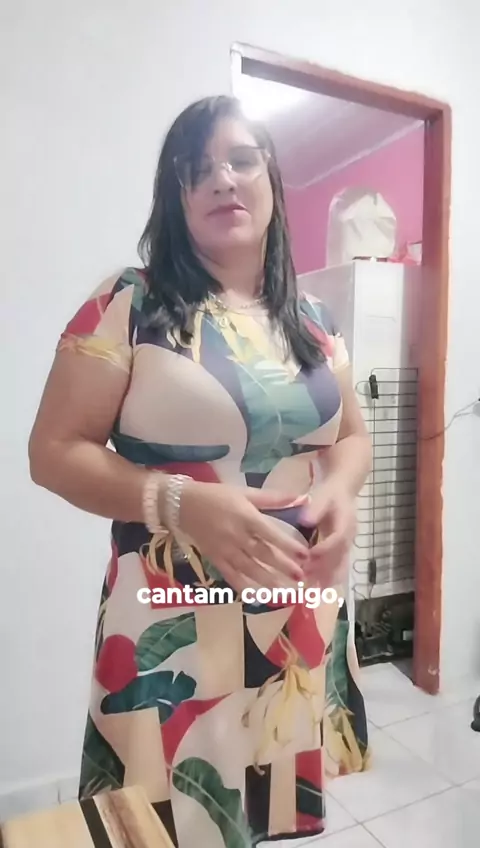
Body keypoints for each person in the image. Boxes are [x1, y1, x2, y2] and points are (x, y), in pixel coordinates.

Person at [28, 95, 372, 848]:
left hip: (295, 615)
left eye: (242, 160)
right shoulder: (131, 302)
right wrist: (180, 502)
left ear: (272, 180)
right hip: (173, 624)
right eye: (197, 169)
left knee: (263, 814)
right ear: (176, 197)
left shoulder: (314, 319)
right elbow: (52, 451)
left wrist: (340, 495)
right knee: (175, 822)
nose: (222, 178)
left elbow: (351, 437)